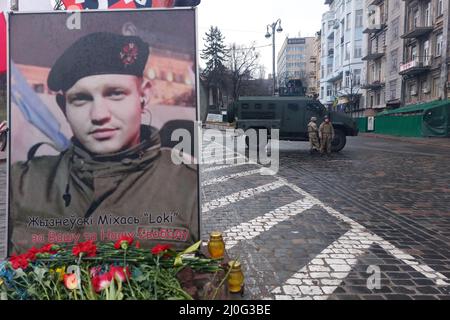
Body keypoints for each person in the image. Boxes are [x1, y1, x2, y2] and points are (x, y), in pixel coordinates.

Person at [9, 32, 199, 254]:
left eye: (115, 94)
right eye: (81, 99)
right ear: (63, 107)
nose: (99, 115)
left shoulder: (189, 186)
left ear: (143, 95)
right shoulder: (21, 183)